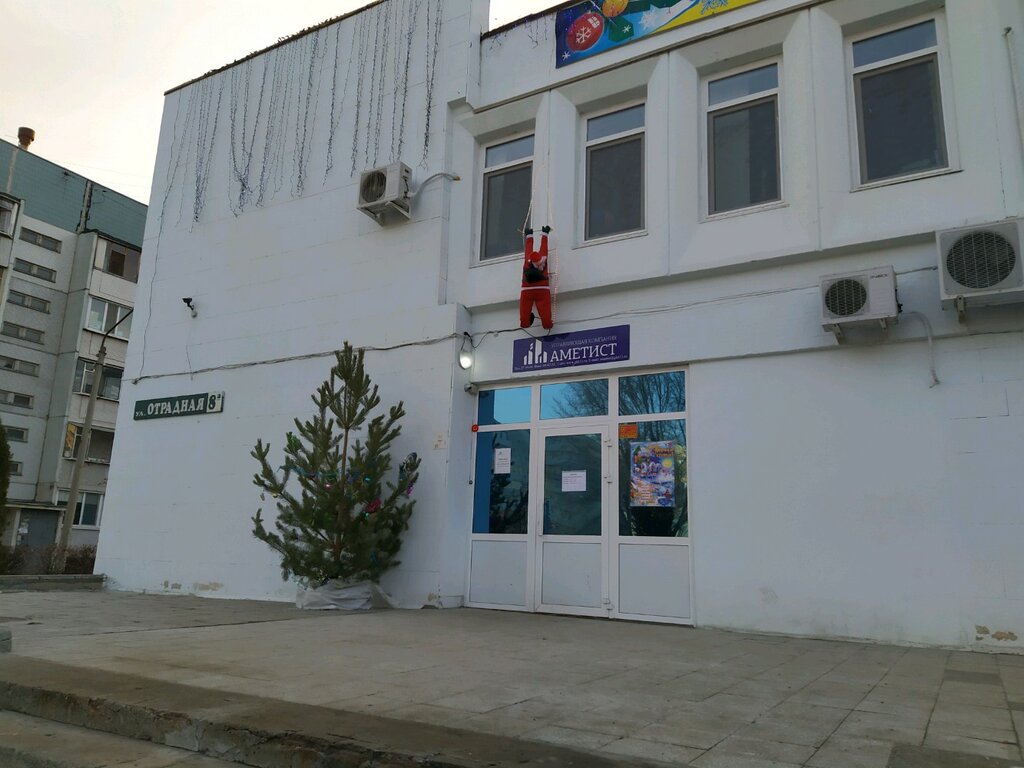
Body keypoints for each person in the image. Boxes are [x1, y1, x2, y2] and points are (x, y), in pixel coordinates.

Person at [519, 225, 553, 329]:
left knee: (524, 312)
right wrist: (545, 233)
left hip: (527, 290)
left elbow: (528, 248)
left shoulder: (528, 259)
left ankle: (525, 323)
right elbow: (544, 247)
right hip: (543, 289)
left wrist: (529, 235)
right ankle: (547, 324)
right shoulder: (543, 257)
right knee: (545, 312)